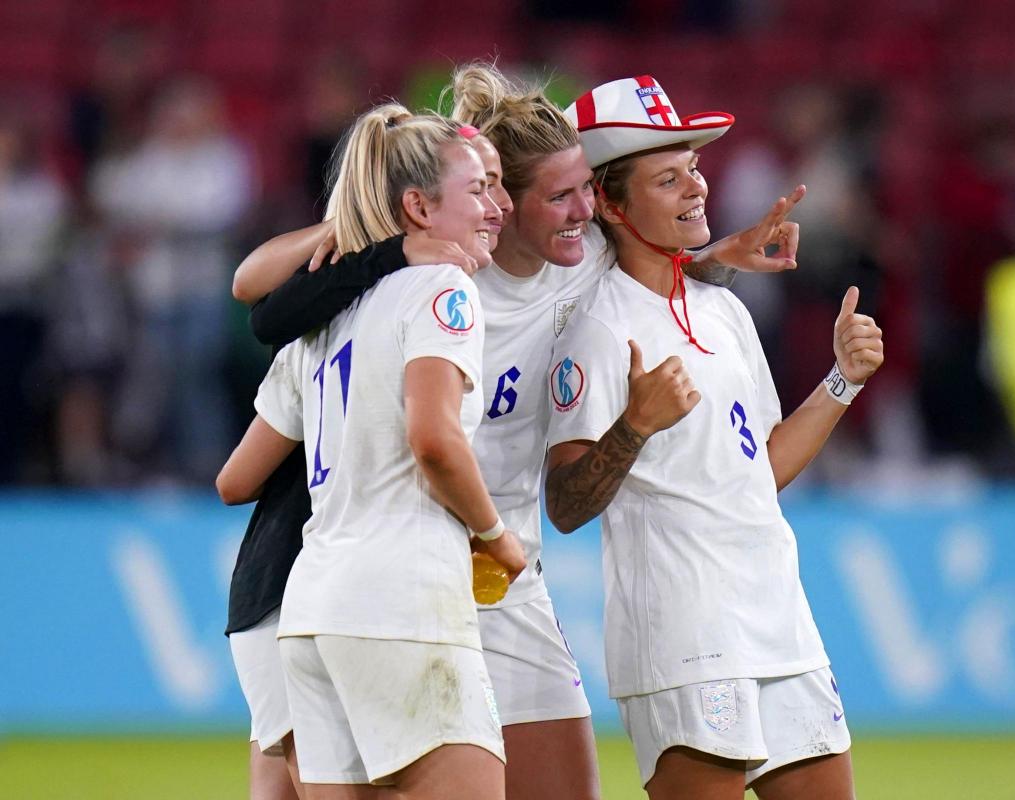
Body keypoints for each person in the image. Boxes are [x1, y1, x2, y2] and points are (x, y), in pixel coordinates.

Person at [234, 63, 802, 800]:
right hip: (401, 574)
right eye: (559, 197)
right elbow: (256, 291)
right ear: (505, 199)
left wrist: (714, 256)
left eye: (587, 195)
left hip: (505, 581)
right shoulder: (432, 279)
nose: (582, 212)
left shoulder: (583, 261)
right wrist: (368, 236)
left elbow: (645, 252)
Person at [544, 76, 885, 800]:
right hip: (684, 638)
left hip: (779, 618)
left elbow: (759, 469)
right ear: (608, 202)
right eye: (667, 178)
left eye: (693, 168)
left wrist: (841, 381)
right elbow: (566, 504)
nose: (695, 187)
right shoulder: (597, 329)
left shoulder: (722, 309)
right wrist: (635, 425)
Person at [216, 103, 525, 800]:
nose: (496, 207)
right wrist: (496, 536)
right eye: (478, 190)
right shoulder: (442, 289)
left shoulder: (328, 313)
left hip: (310, 607)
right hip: (402, 599)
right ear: (416, 206)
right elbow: (434, 439)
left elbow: (235, 475)